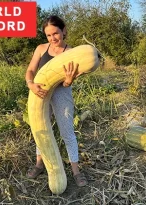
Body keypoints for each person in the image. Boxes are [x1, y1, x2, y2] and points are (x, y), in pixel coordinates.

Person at [24, 15, 87, 187]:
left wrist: (68, 80)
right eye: (49, 35)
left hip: (61, 93)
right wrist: (31, 84)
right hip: (39, 91)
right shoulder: (41, 49)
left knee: (67, 133)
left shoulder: (72, 53)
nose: (53, 38)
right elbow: (30, 70)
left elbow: (68, 82)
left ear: (64, 30)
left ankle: (76, 171)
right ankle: (39, 164)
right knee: (40, 128)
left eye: (56, 33)